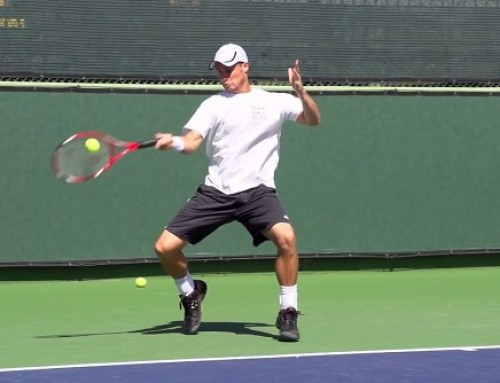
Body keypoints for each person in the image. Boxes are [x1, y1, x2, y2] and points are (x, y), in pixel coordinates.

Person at [153, 43, 321, 341]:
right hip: (217, 192)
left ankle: (289, 312)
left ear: (246, 66)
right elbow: (191, 142)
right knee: (164, 248)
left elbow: (313, 119)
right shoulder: (213, 105)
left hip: (258, 193)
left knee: (287, 238)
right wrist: (175, 142)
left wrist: (301, 92)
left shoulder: (276, 101)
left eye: (228, 68)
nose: (223, 75)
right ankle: (191, 293)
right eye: (219, 70)